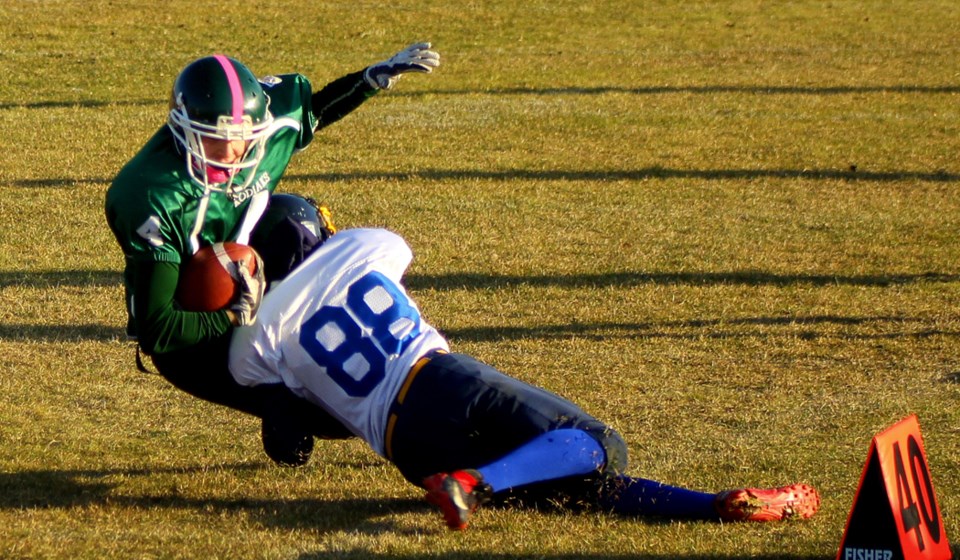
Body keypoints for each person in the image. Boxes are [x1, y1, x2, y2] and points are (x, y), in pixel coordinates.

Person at [227, 209, 822, 530]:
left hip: (404, 447)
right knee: (598, 444)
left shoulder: (259, 335)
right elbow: (391, 250)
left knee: (578, 491)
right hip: (437, 379)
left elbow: (280, 424)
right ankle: (475, 484)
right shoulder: (362, 246)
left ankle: (711, 505)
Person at [104, 44, 441, 463]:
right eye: (216, 140)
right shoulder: (152, 194)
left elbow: (311, 113)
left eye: (243, 139)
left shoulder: (264, 129)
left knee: (294, 220)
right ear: (183, 128)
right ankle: (277, 398)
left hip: (246, 268)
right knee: (323, 416)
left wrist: (367, 81)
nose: (234, 154)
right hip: (193, 319)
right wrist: (230, 315)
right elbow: (160, 330)